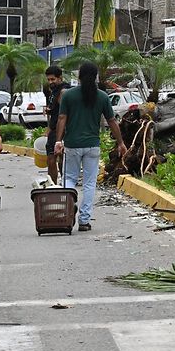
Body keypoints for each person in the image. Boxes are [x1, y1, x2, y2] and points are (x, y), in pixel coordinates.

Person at [54, 62, 127, 231]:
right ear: (95, 77)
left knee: (69, 178)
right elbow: (112, 121)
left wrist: (58, 141)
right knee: (89, 183)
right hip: (92, 146)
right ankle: (84, 221)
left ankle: (69, 207)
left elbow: (62, 119)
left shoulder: (68, 95)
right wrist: (121, 143)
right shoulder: (102, 96)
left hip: (72, 145)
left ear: (79, 75)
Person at [44, 65, 71, 184]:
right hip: (56, 129)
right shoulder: (54, 92)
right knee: (58, 159)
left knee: (53, 159)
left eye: (53, 79)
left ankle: (56, 186)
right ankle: (57, 185)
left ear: (60, 78)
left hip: (60, 130)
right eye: (49, 79)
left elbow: (62, 114)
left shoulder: (63, 91)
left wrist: (53, 130)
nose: (50, 82)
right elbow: (56, 111)